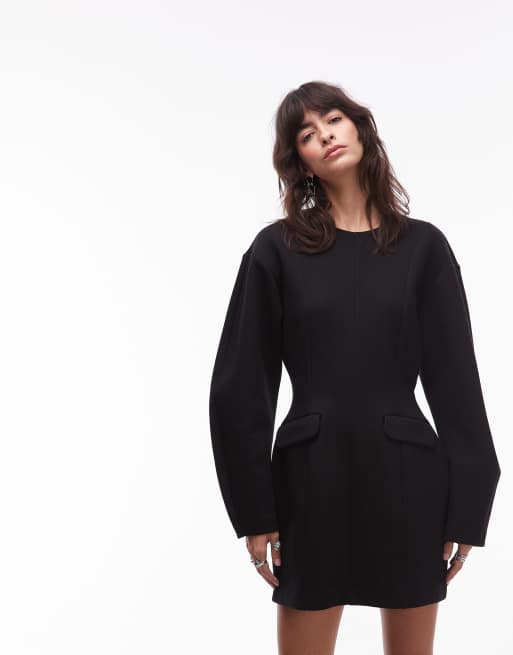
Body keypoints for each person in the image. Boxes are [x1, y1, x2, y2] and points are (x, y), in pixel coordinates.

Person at [208, 81, 501, 655]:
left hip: (408, 480)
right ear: (301, 162)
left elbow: (458, 384)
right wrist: (254, 511)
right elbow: (239, 387)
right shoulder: (276, 250)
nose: (325, 136)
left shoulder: (423, 248)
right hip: (309, 481)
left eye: (334, 120)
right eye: (307, 134)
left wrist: (468, 507)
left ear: (360, 128)